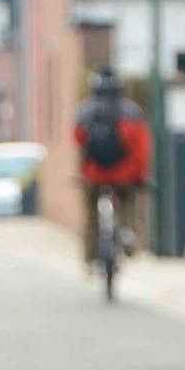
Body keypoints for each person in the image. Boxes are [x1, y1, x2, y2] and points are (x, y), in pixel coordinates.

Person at [73, 67, 153, 267]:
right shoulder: (131, 111)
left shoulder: (84, 111)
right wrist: (140, 175)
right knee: (127, 206)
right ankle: (128, 236)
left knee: (91, 212)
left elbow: (79, 142)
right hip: (124, 174)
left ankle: (90, 256)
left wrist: (83, 173)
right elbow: (141, 148)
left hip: (94, 174)